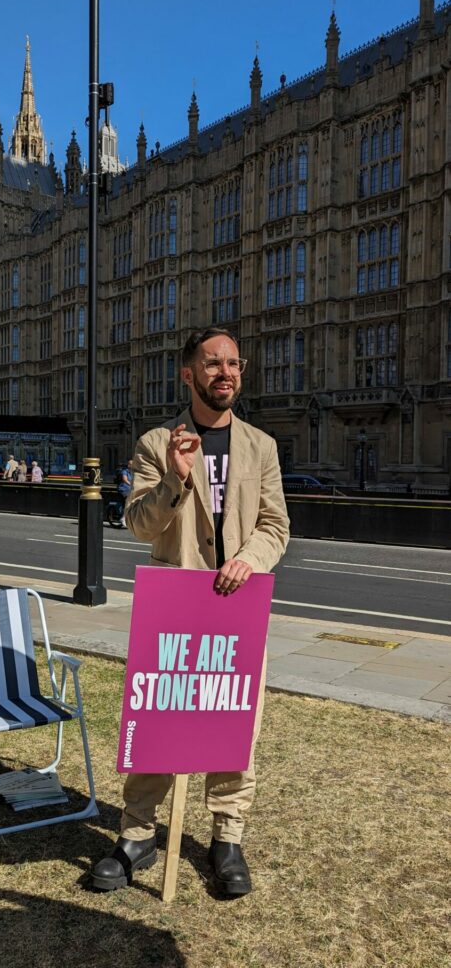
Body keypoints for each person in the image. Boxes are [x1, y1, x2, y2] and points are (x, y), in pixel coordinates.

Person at [91, 326, 290, 898]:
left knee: (233, 724)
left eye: (233, 363)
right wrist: (176, 481)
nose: (225, 372)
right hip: (174, 607)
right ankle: (137, 834)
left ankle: (227, 836)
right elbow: (137, 523)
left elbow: (275, 526)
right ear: (189, 374)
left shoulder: (262, 447)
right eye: (212, 364)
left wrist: (249, 561)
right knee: (158, 719)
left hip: (236, 605)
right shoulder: (158, 444)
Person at [114, 461, 132, 528]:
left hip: (130, 489)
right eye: (131, 464)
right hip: (123, 489)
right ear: (128, 465)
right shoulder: (125, 471)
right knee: (128, 499)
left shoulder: (133, 472)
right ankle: (123, 517)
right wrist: (131, 484)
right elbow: (125, 480)